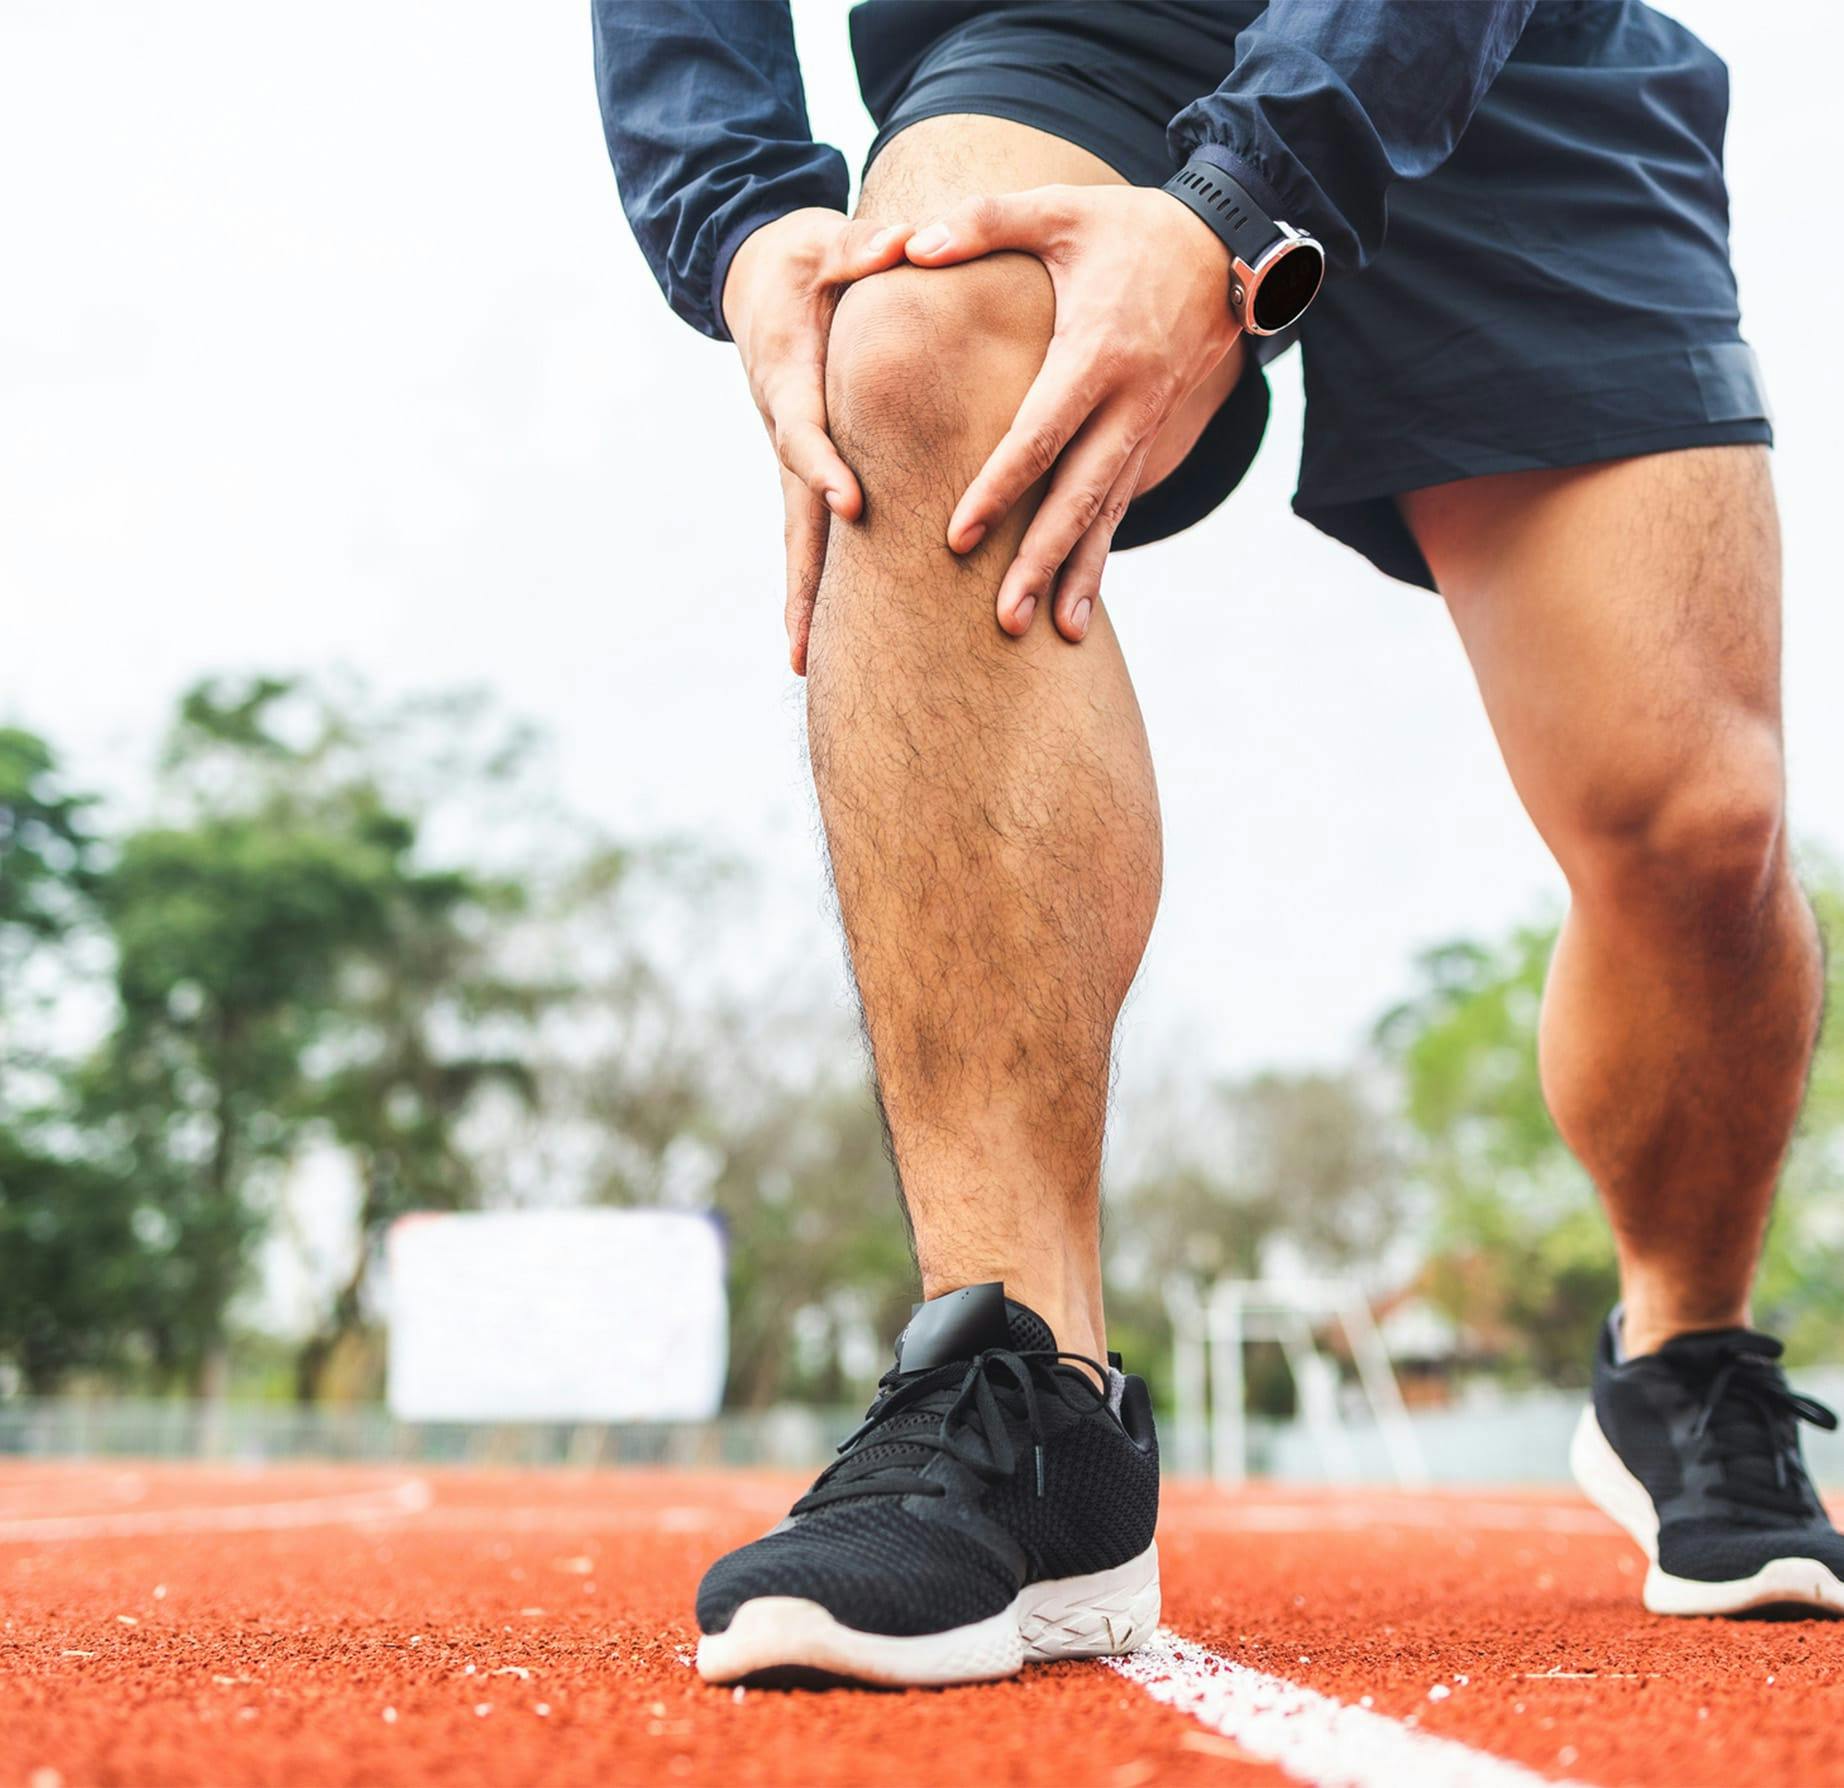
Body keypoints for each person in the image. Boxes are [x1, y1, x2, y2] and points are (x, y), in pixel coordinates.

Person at [591, 0, 1834, 1685]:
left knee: (1698, 827)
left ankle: (1685, 1355)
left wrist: (1248, 197)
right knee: (913, 345)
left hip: (1506, 51)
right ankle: (1026, 1391)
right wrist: (735, 211)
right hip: (1070, 25)